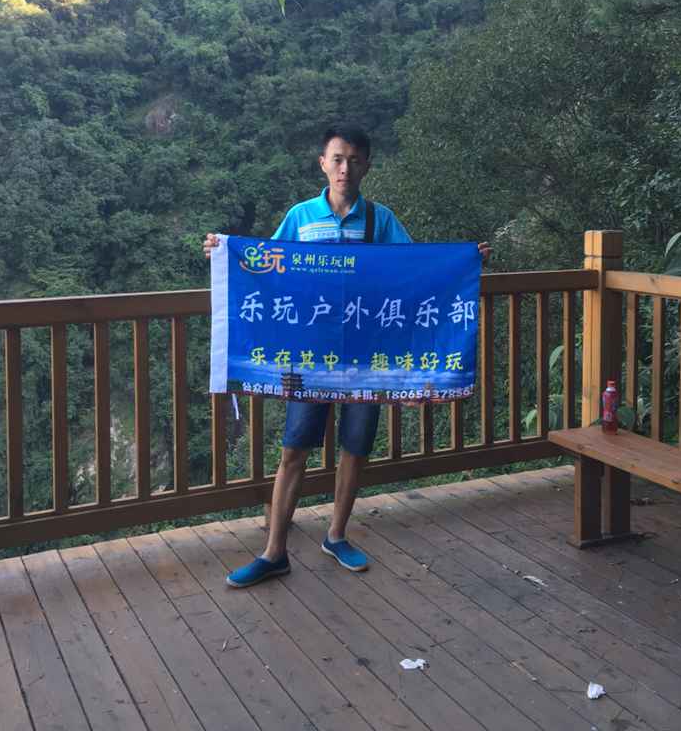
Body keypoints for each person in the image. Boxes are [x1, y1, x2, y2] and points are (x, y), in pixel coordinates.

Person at [203, 124, 491, 588]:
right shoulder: (300, 217)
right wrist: (224, 253)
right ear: (323, 163)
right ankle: (274, 551)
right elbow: (267, 264)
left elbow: (418, 270)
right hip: (309, 359)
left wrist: (465, 261)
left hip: (365, 361)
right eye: (337, 159)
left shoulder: (380, 221)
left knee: (355, 448)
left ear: (367, 166)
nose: (345, 168)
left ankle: (336, 535)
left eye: (354, 160)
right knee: (294, 449)